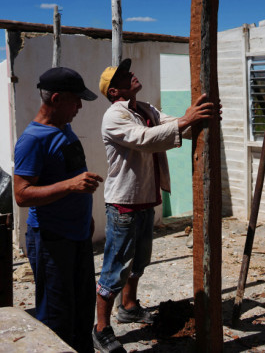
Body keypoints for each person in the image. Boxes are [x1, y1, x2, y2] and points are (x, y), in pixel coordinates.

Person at [92, 58, 217, 353]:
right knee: (115, 267)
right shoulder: (114, 116)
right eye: (124, 76)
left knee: (139, 260)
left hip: (145, 198)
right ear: (113, 91)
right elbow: (145, 139)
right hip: (124, 202)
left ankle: (129, 307)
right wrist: (187, 120)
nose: (132, 75)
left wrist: (199, 118)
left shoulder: (145, 108)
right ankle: (100, 329)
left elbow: (173, 125)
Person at [13, 66, 103, 353]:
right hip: (51, 239)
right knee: (57, 317)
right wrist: (70, 186)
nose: (79, 106)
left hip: (76, 235)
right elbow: (22, 195)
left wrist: (84, 214)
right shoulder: (32, 140)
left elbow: (72, 173)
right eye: (75, 99)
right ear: (55, 99)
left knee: (82, 309)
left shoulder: (64, 128)